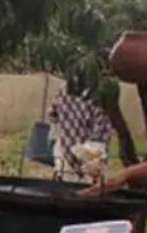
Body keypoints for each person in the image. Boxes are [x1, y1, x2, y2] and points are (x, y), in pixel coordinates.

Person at [47, 50, 114, 182]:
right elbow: (101, 130)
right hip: (85, 154)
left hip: (74, 151)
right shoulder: (98, 93)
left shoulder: (66, 88)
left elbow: (53, 113)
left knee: (68, 185)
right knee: (84, 189)